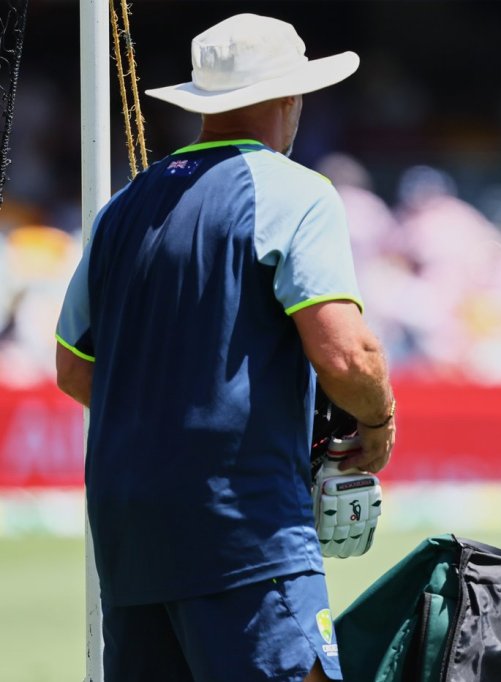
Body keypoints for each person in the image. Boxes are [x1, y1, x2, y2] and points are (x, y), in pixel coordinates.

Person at [54, 14, 395, 682]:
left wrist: (171, 422)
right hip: (244, 525)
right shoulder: (298, 192)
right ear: (290, 96)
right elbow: (347, 356)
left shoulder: (121, 208)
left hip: (128, 532)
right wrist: (378, 421)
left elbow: (73, 367)